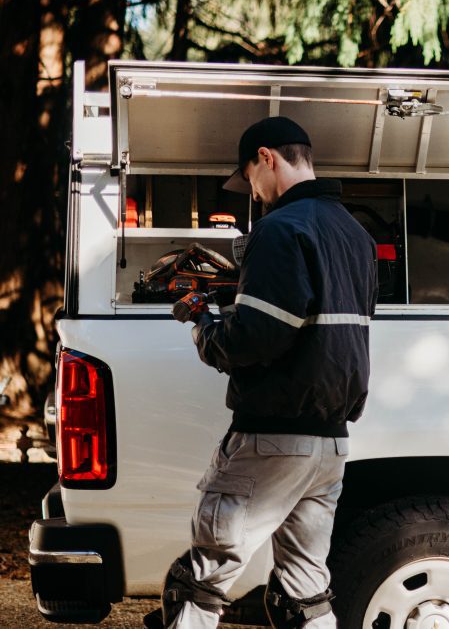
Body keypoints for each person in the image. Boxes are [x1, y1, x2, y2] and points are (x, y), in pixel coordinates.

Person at [146, 116, 378, 628]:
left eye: (248, 176)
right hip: (331, 445)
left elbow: (252, 340)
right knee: (306, 592)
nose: (251, 190)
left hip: (273, 437)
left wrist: (202, 318)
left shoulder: (280, 230)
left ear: (267, 158)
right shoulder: (355, 235)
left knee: (200, 580)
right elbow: (316, 324)